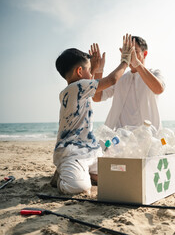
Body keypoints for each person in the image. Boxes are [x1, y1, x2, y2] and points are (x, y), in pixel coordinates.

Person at [51, 34, 135, 194]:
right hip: (72, 152)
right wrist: (125, 60)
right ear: (79, 71)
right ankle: (61, 177)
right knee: (79, 188)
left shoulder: (76, 89)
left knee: (111, 176)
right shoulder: (77, 88)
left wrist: (95, 68)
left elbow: (92, 85)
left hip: (90, 149)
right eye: (89, 70)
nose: (93, 73)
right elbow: (111, 80)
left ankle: (87, 172)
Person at [92, 36, 165, 131]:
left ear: (145, 53)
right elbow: (97, 97)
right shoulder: (120, 78)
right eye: (127, 52)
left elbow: (158, 89)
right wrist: (98, 70)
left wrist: (137, 64)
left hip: (149, 137)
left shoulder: (155, 73)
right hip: (121, 138)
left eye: (134, 52)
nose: (130, 56)